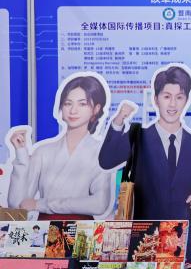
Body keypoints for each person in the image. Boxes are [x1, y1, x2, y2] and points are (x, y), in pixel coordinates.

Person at [99, 65, 191, 261]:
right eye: (167, 96)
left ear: (187, 100)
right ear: (156, 99)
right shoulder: (138, 138)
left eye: (179, 97)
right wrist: (118, 120)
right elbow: (106, 160)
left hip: (182, 245)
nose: (173, 104)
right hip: (143, 244)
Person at [7, 74, 112, 219]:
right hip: (43, 228)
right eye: (68, 103)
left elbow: (99, 204)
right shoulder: (43, 152)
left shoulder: (101, 152)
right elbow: (17, 203)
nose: (73, 110)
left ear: (96, 109)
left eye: (82, 104)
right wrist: (21, 155)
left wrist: (42, 204)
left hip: (82, 230)